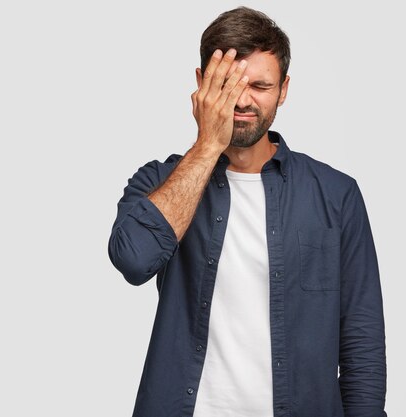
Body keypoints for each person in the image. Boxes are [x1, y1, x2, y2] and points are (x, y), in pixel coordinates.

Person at [107, 6, 387, 417]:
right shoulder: (159, 181)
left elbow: (361, 340)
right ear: (202, 84)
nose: (242, 100)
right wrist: (207, 145)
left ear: (284, 89)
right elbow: (134, 259)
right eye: (227, 84)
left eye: (260, 85)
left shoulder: (336, 194)